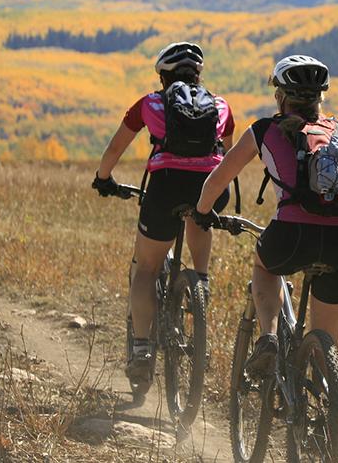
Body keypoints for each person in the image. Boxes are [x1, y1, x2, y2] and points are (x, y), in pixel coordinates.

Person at [193, 54, 338, 376]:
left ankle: (268, 339)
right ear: (320, 98)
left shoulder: (263, 130)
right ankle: (324, 414)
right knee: (328, 336)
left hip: (290, 235)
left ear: (280, 97)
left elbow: (219, 177)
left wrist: (202, 213)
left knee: (265, 266)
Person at [91, 41, 235, 382]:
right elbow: (228, 157)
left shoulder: (150, 103)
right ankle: (200, 283)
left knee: (146, 268)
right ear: (197, 75)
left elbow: (115, 147)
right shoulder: (220, 105)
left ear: (163, 76)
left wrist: (103, 178)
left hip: (165, 186)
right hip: (211, 187)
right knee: (201, 216)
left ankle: (141, 348)